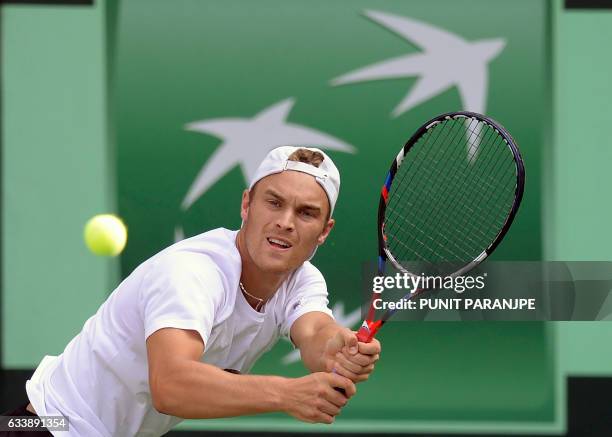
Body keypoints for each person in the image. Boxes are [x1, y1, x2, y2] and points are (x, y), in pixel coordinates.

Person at [4, 146, 381, 436]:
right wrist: (287, 394)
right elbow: (171, 385)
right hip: (47, 424)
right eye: (274, 203)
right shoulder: (192, 272)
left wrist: (339, 350)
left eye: (305, 213)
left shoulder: (302, 278)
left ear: (324, 230)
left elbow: (315, 332)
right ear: (247, 205)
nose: (285, 222)